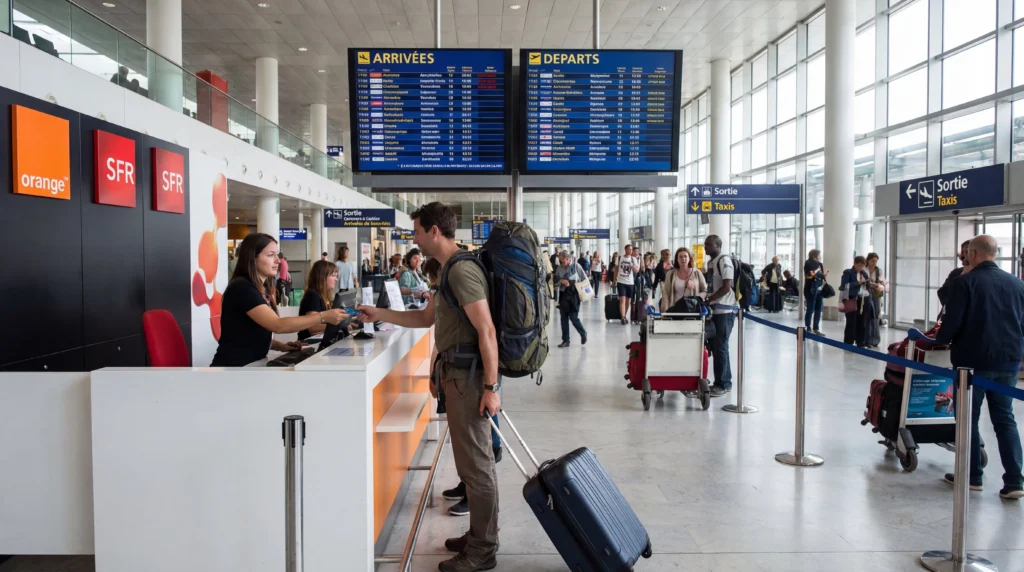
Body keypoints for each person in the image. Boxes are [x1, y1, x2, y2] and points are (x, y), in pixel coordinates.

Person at [357, 203, 501, 570]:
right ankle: (477, 536)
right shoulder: (450, 270)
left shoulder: (461, 271)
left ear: (435, 231)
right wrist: (380, 313)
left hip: (469, 377)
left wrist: (491, 386)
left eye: (418, 231)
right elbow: (424, 317)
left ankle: (483, 550)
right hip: (457, 376)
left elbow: (486, 330)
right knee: (470, 465)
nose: (415, 238)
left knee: (477, 466)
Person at [909, 235, 1023, 500]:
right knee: (1005, 419)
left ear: (971, 254)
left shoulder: (964, 283)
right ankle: (1015, 480)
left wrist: (937, 340)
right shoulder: (1018, 284)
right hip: (1007, 361)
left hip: (971, 362)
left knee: (967, 418)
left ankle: (972, 476)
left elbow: (949, 328)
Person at [210, 233, 345, 366]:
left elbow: (250, 333)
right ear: (253, 258)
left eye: (277, 254)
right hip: (234, 370)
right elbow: (277, 325)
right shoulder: (242, 288)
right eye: (270, 255)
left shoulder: (260, 288)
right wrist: (323, 316)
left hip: (250, 366)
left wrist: (281, 346)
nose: (278, 260)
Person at [705, 235, 736, 396]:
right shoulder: (711, 262)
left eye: (709, 245)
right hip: (715, 309)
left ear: (718, 245)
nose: (705, 247)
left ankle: (722, 384)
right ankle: (724, 381)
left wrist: (710, 299)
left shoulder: (725, 261)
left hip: (725, 310)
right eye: (705, 244)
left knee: (721, 346)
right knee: (718, 347)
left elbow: (726, 286)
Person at [297, 261, 341, 341]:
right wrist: (338, 326)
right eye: (333, 276)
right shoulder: (312, 295)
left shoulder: (324, 296)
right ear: (322, 277)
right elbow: (313, 327)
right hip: (308, 343)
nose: (336, 279)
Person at [555, 251, 588, 347]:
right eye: (560, 262)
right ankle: (566, 340)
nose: (561, 264)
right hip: (563, 295)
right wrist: (562, 281)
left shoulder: (576, 266)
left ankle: (583, 333)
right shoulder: (559, 268)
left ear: (568, 259)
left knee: (573, 318)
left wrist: (573, 283)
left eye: (563, 262)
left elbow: (584, 279)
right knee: (563, 318)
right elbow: (555, 281)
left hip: (574, 295)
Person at [660, 247, 707, 311]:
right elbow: (666, 294)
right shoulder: (670, 274)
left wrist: (696, 297)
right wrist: (664, 312)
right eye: (680, 257)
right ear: (677, 259)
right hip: (675, 310)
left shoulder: (697, 273)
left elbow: (705, 291)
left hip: (692, 310)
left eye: (685, 256)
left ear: (689, 258)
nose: (683, 259)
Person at [839, 256, 871, 347]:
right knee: (851, 321)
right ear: (855, 264)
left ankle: (860, 341)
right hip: (852, 299)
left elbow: (867, 285)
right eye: (859, 265)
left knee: (862, 322)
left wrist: (867, 283)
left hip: (863, 299)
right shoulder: (848, 272)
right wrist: (857, 283)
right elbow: (843, 286)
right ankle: (848, 342)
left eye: (863, 266)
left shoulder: (864, 273)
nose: (861, 268)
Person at [938, 240, 972, 308]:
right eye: (963, 252)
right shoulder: (956, 272)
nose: (965, 255)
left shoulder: (980, 275)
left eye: (967, 252)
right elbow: (943, 292)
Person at [804, 249, 828, 335]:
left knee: (818, 309)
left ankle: (816, 328)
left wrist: (822, 276)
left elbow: (821, 276)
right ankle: (808, 327)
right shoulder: (808, 263)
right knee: (810, 309)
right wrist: (819, 275)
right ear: (815, 255)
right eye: (819, 255)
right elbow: (809, 275)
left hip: (819, 288)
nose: (820, 256)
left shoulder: (820, 264)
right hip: (811, 289)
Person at [864, 253, 886, 348]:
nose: (874, 263)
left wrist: (878, 284)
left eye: (876, 261)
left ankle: (875, 339)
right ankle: (867, 339)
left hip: (876, 295)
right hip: (865, 295)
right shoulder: (863, 269)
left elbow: (882, 282)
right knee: (867, 316)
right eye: (872, 260)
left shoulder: (878, 270)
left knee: (875, 316)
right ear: (868, 260)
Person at [615, 245, 641, 325]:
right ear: (625, 249)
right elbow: (616, 269)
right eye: (629, 249)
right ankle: (622, 317)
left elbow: (637, 270)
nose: (630, 250)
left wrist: (632, 265)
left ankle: (625, 315)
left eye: (631, 249)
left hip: (630, 282)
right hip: (621, 281)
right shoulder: (619, 258)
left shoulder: (633, 259)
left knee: (628, 301)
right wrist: (614, 280)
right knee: (622, 299)